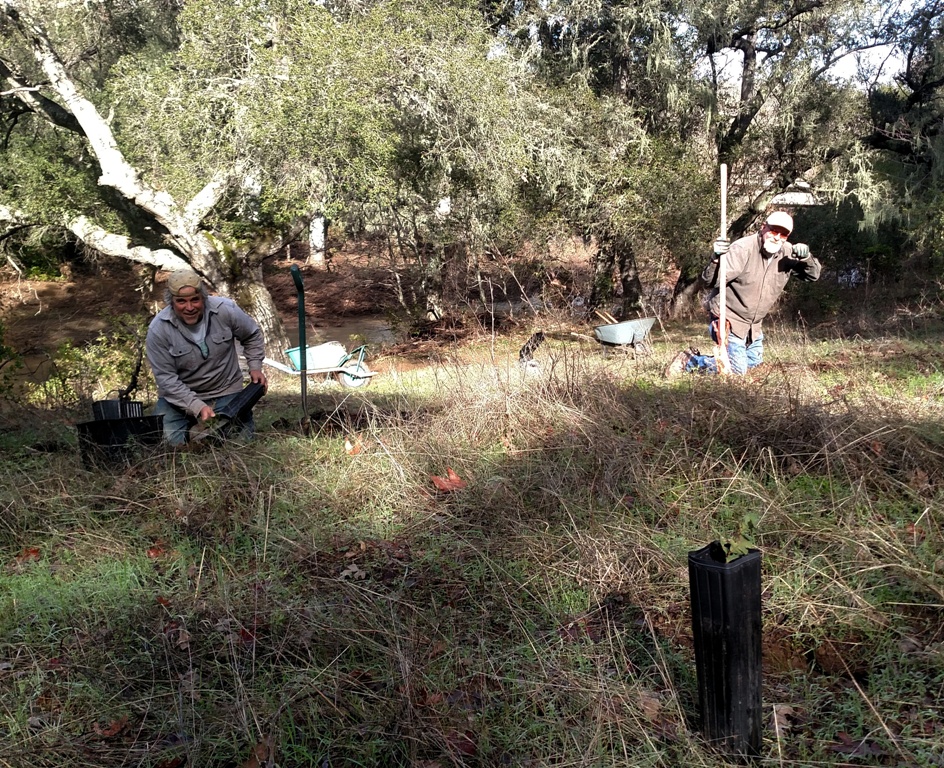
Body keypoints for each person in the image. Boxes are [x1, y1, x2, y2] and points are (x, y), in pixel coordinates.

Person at [665, 210, 821, 377]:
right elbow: (711, 282)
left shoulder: (788, 253)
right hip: (728, 318)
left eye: (783, 235)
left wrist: (806, 259)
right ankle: (689, 362)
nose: (777, 237)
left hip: (753, 324)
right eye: (774, 231)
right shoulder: (742, 248)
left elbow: (813, 275)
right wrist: (716, 259)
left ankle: (709, 360)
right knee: (737, 370)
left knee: (753, 362)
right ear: (763, 227)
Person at [146, 269, 268, 445]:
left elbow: (252, 335)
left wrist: (255, 366)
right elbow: (166, 379)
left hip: (225, 389)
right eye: (181, 301)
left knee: (239, 441)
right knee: (166, 442)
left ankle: (207, 434)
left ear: (204, 297)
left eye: (195, 300)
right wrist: (197, 406)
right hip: (179, 398)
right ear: (171, 302)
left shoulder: (226, 310)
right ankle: (194, 432)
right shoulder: (158, 330)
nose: (189, 307)